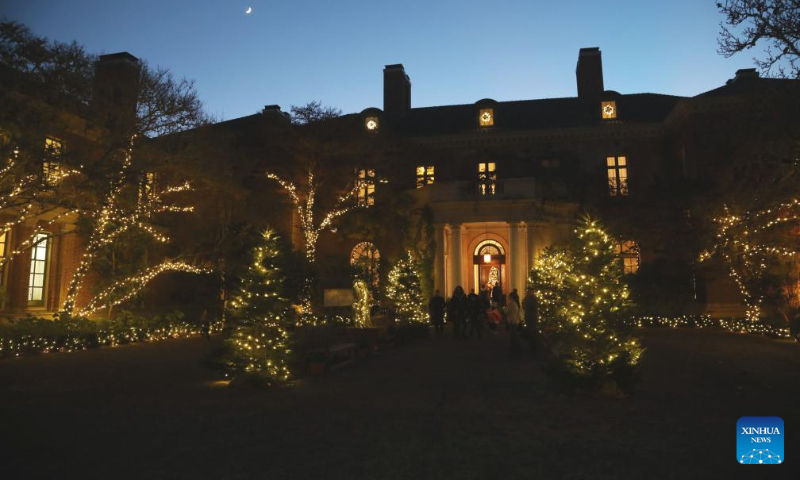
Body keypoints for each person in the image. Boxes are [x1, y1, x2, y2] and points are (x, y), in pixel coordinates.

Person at [522, 287, 540, 353]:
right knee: (530, 333)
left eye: (529, 291)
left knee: (532, 333)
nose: (528, 292)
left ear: (532, 291)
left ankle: (534, 349)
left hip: (532, 318)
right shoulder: (528, 298)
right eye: (527, 291)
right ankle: (532, 348)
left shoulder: (533, 299)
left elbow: (533, 309)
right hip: (529, 317)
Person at [505, 291, 522, 356]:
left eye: (509, 296)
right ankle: (515, 348)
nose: (508, 297)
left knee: (513, 336)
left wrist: (504, 308)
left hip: (513, 320)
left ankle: (516, 349)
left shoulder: (512, 304)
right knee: (513, 335)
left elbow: (506, 311)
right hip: (514, 320)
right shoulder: (514, 303)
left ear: (511, 297)